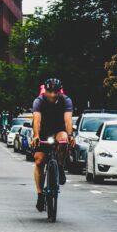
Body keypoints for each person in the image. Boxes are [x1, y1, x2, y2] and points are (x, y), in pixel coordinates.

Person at [30, 78, 75, 213]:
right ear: (45, 91)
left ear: (60, 91)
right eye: (50, 91)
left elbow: (68, 120)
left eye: (56, 92)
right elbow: (37, 120)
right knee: (39, 160)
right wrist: (36, 136)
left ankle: (60, 166)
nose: (53, 95)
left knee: (64, 139)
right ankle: (40, 194)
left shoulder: (66, 101)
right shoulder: (39, 101)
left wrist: (71, 135)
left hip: (58, 130)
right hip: (43, 132)